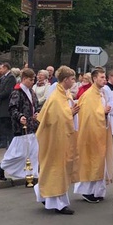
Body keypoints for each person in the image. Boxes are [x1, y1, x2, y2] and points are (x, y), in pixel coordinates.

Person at [34, 66, 80, 215]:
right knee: (56, 169)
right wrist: (70, 113)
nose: (74, 81)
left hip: (63, 138)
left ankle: (48, 197)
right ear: (65, 80)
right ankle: (57, 203)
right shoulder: (55, 97)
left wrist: (71, 112)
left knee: (60, 169)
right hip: (55, 140)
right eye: (72, 79)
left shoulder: (65, 94)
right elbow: (54, 119)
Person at [74, 67, 113, 203]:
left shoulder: (101, 93)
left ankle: (98, 191)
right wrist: (103, 112)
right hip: (90, 134)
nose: (104, 80)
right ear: (94, 78)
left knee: (99, 162)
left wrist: (105, 113)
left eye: (105, 77)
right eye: (101, 77)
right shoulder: (89, 95)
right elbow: (89, 115)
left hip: (100, 132)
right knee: (91, 162)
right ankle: (87, 191)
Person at [0, 68, 39, 182]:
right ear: (24, 79)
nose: (32, 82)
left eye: (33, 79)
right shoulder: (17, 91)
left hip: (32, 126)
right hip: (21, 127)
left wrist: (37, 113)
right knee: (18, 154)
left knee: (33, 152)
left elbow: (36, 105)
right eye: (30, 80)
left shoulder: (32, 92)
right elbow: (12, 108)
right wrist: (19, 117)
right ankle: (1, 166)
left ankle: (31, 175)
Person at [0, 62, 15, 149]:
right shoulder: (3, 77)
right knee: (2, 125)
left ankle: (9, 142)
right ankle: (3, 141)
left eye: (1, 68)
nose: (0, 70)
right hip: (1, 105)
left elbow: (7, 91)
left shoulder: (11, 77)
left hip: (6, 104)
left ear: (6, 68)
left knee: (7, 125)